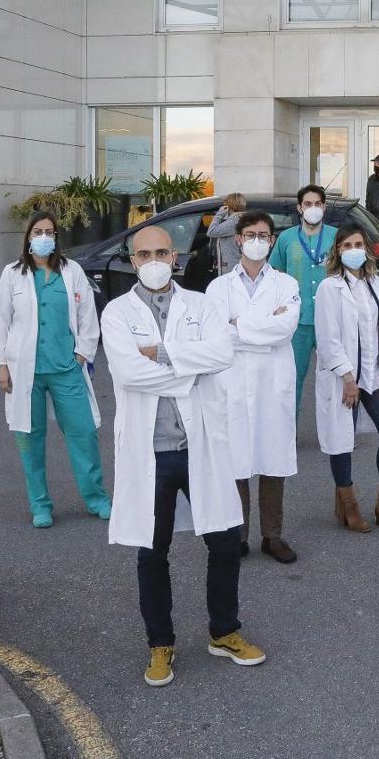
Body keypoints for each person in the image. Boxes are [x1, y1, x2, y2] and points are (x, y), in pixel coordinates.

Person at [102, 225, 265, 687]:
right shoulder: (117, 313)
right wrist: (186, 369)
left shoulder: (202, 305)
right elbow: (128, 373)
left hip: (200, 447)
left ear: (174, 257)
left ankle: (224, 631)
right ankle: (160, 643)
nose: (153, 260)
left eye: (161, 252)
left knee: (225, 540)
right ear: (133, 261)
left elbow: (221, 354)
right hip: (150, 451)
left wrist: (161, 353)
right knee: (153, 552)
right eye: (143, 253)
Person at [0, 212, 110, 529]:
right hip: (24, 371)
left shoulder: (71, 272)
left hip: (66, 367)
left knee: (83, 434)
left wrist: (82, 354)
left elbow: (87, 316)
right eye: (38, 231)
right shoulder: (12, 274)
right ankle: (40, 504)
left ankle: (97, 498)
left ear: (56, 237)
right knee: (30, 439)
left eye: (50, 231)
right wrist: (0, 363)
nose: (44, 236)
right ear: (28, 236)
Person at [206, 210, 301, 564]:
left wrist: (239, 325)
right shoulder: (218, 288)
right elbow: (218, 335)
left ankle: (272, 536)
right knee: (237, 463)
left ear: (272, 240)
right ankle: (238, 534)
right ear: (238, 239)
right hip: (232, 382)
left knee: (273, 461)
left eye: (264, 235)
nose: (257, 241)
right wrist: (262, 326)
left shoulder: (286, 285)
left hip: (272, 382)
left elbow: (286, 329)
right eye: (251, 235)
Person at [314, 224, 379, 534]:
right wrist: (346, 377)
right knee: (342, 441)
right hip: (346, 377)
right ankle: (348, 506)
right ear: (338, 251)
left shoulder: (374, 283)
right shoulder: (329, 288)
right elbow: (328, 339)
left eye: (359, 244)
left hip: (374, 374)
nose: (354, 250)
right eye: (347, 245)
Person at [270, 185, 337, 414]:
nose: (313, 208)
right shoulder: (287, 238)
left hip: (330, 319)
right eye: (308, 204)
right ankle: (288, 433)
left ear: (324, 207)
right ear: (300, 208)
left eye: (317, 204)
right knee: (292, 379)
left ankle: (337, 435)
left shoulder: (336, 237)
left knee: (335, 378)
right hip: (297, 321)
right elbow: (273, 275)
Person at [207, 192, 247, 274]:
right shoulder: (245, 219)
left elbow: (211, 231)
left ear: (228, 206)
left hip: (231, 269)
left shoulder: (234, 221)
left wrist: (219, 214)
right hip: (240, 266)